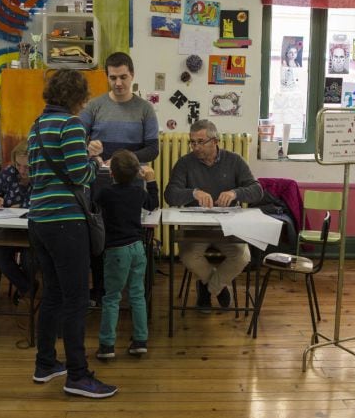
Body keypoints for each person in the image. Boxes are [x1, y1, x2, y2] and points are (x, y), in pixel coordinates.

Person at [27, 69, 117, 399]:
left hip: (38, 220)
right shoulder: (70, 125)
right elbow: (80, 175)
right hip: (65, 222)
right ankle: (78, 376)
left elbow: (36, 175)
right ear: (78, 98)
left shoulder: (36, 126)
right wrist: (95, 160)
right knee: (77, 300)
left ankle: (46, 363)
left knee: (52, 293)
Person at [80, 51, 160, 308]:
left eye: (123, 77)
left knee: (130, 240)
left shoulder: (145, 109)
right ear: (107, 76)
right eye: (113, 77)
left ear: (132, 75)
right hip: (99, 184)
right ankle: (101, 289)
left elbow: (152, 149)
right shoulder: (94, 106)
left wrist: (122, 160)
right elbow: (77, 139)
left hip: (131, 185)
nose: (118, 83)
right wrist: (89, 147)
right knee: (99, 238)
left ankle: (133, 291)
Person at [164, 119, 263, 311]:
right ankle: (219, 287)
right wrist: (193, 193)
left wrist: (235, 193)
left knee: (242, 257)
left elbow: (257, 190)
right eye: (192, 142)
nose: (195, 147)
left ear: (215, 141)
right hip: (195, 226)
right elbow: (170, 195)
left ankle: (208, 288)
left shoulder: (234, 160)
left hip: (228, 226)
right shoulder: (185, 163)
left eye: (201, 142)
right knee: (189, 257)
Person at [93, 150, 159, 360]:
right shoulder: (139, 193)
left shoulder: (105, 193)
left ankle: (107, 345)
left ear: (111, 173)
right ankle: (140, 341)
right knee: (137, 295)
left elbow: (91, 205)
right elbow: (153, 204)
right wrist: (150, 180)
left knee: (112, 297)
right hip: (137, 248)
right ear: (136, 173)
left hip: (116, 251)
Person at [0, 140, 35, 305]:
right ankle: (28, 288)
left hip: (33, 232)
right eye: (18, 165)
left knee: (29, 260)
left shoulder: (44, 175)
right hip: (10, 229)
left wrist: (21, 206)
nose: (22, 170)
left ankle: (28, 290)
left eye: (27, 167)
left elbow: (42, 203)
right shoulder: (8, 173)